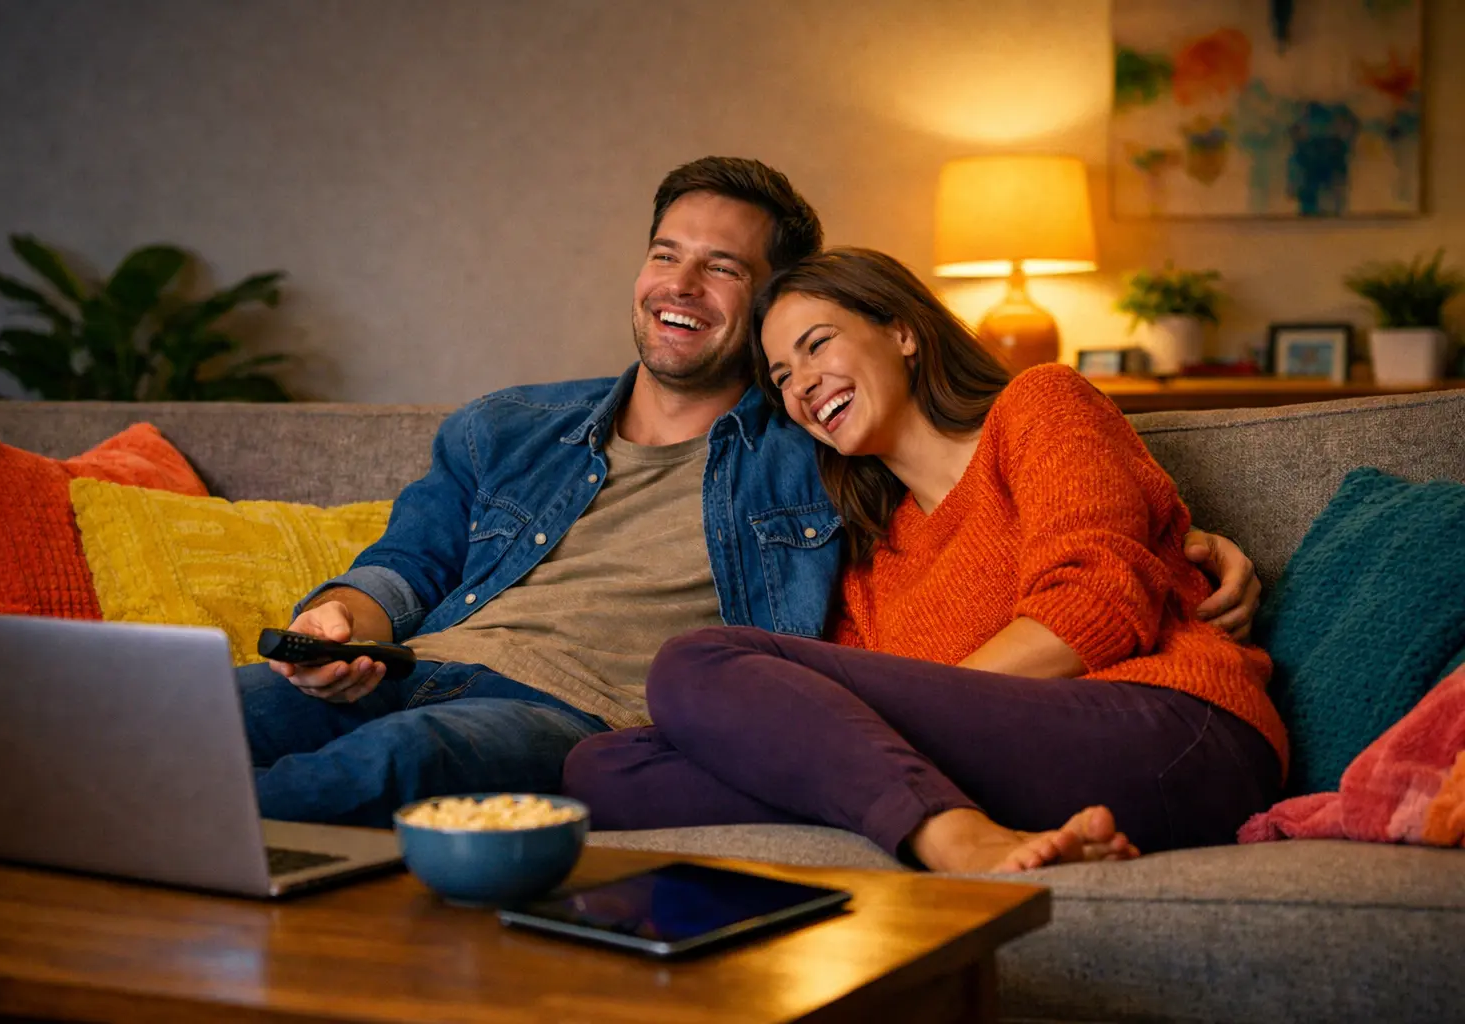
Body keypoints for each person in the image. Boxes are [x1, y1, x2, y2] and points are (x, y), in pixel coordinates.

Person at [240, 159, 1263, 829]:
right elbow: (409, 561)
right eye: (666, 255)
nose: (681, 286)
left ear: (898, 326)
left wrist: (1174, 534)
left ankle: (174, 844)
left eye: (724, 271)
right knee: (606, 774)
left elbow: (1092, 573)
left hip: (1155, 722)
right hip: (421, 668)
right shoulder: (859, 531)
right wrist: (342, 615)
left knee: (684, 674)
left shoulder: (849, 447)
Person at [562, 248, 1287, 873]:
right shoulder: (869, 563)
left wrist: (893, 729)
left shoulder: (1038, 405)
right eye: (782, 376)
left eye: (817, 345)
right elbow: (828, 736)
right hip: (1016, 782)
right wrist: (870, 747)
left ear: (902, 331)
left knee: (696, 663)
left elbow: (1093, 612)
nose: (802, 385)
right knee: (606, 768)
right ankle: (949, 823)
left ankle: (950, 840)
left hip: (1170, 736)